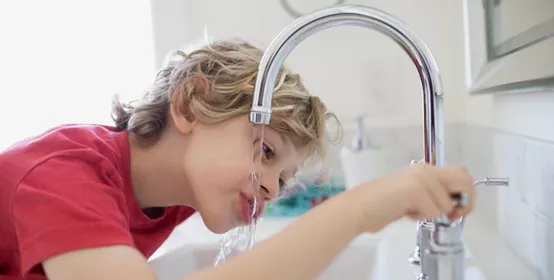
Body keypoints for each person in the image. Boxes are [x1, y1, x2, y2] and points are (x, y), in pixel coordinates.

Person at [0, 39, 475, 280]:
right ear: (189, 105)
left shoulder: (168, 197)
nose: (271, 188)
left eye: (284, 178)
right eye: (264, 151)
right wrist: (359, 210)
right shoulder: (63, 173)